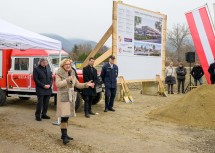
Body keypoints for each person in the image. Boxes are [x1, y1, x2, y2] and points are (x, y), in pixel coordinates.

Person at [55, 59, 94, 145]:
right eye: (66, 64)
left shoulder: (72, 72)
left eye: (69, 64)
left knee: (67, 116)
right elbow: (58, 84)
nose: (68, 66)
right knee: (64, 117)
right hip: (63, 97)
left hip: (70, 97)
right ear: (62, 65)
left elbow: (77, 84)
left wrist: (86, 84)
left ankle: (64, 134)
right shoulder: (59, 73)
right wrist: (67, 80)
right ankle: (64, 136)